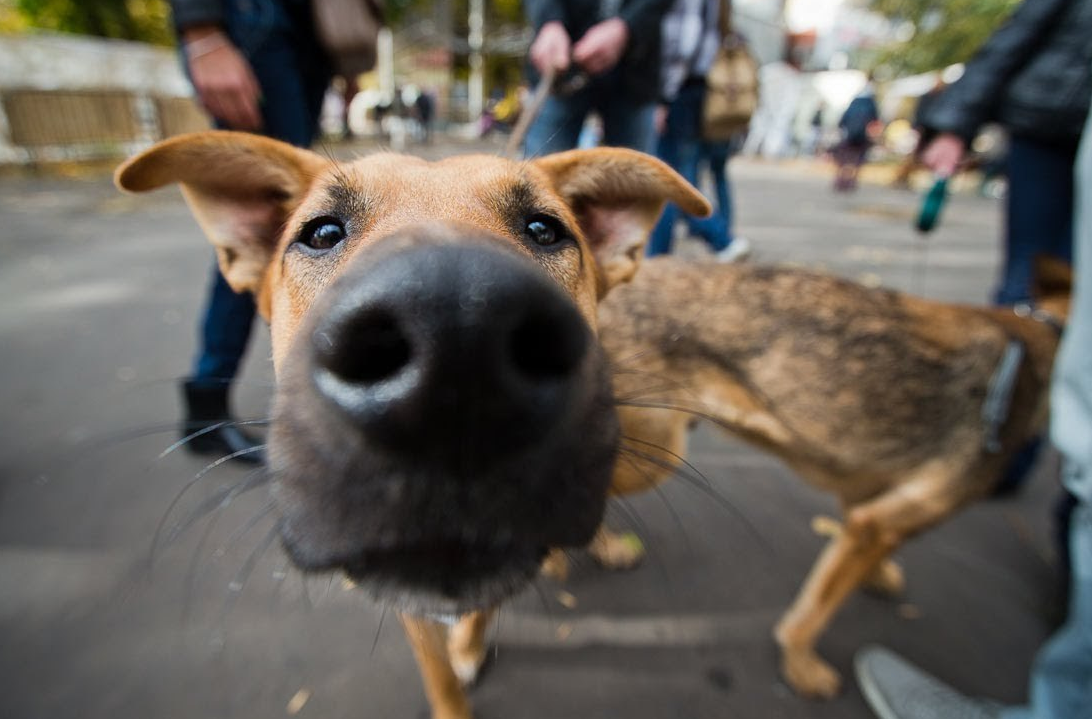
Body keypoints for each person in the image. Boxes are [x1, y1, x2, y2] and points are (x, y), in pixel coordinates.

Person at [169, 0, 332, 463]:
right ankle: (206, 403)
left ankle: (209, 400)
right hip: (253, 18)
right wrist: (202, 32)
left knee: (270, 230)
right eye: (327, 234)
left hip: (306, 37)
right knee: (261, 236)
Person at [645, 0, 750, 260]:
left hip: (679, 89)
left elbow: (683, 40)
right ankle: (718, 238)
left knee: (664, 178)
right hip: (696, 91)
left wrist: (664, 97)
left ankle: (715, 239)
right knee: (682, 171)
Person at [522, 0, 672, 157]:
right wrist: (549, 22)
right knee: (538, 172)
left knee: (636, 176)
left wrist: (628, 25)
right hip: (558, 71)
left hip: (637, 71)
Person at [833, 75, 880, 192]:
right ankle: (852, 180)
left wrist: (842, 128)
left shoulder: (855, 100)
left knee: (844, 158)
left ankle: (840, 179)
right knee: (858, 159)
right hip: (862, 135)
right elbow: (875, 120)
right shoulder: (871, 102)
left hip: (849, 133)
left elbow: (844, 118)